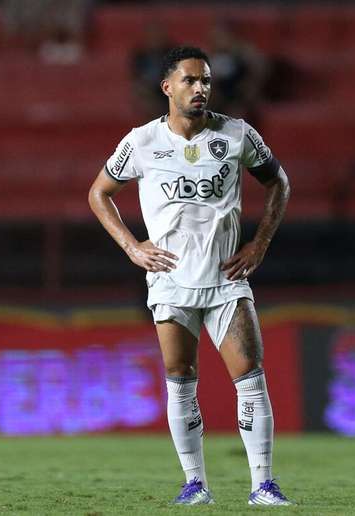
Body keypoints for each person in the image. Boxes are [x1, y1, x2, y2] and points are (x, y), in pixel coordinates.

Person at [88, 46, 292, 506]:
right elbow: (99, 193)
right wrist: (132, 246)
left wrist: (259, 244)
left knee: (251, 377)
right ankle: (195, 484)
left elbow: (279, 183)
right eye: (191, 81)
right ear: (167, 87)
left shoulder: (237, 134)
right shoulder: (141, 141)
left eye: (206, 82)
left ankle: (263, 485)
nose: (201, 89)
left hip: (226, 278)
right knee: (180, 378)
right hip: (170, 278)